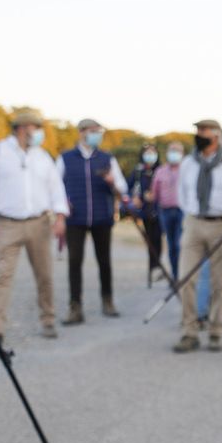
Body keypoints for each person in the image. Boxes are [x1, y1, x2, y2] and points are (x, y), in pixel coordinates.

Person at [0, 108, 68, 346]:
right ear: (23, 129)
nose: (39, 133)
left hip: (39, 223)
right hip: (7, 224)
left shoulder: (42, 157)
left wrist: (60, 217)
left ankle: (48, 319)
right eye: (36, 128)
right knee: (2, 276)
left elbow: (56, 188)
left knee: (44, 275)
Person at [173, 120, 222, 353]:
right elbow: (182, 193)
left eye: (204, 131)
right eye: (198, 131)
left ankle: (216, 330)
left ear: (216, 136)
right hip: (195, 222)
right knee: (186, 278)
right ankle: (190, 331)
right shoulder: (188, 163)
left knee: (220, 281)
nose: (199, 135)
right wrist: (191, 213)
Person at [59, 118, 128, 324]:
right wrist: (62, 204)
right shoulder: (65, 158)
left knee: (104, 261)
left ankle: (108, 301)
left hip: (102, 217)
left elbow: (122, 188)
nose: (97, 134)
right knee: (74, 262)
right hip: (75, 218)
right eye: (93, 131)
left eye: (99, 131)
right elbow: (54, 186)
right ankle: (75, 307)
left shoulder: (107, 159)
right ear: (81, 133)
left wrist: (112, 181)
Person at [127, 143, 164, 285]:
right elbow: (128, 187)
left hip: (159, 211)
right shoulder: (138, 171)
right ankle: (152, 268)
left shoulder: (161, 169)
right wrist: (133, 198)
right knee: (150, 241)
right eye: (147, 152)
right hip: (145, 212)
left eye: (153, 152)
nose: (150, 155)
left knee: (158, 240)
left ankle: (157, 267)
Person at [151, 140, 185, 278]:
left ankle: (184, 274)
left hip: (182, 211)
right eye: (172, 150)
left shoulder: (186, 170)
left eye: (177, 150)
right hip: (165, 211)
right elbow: (154, 193)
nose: (174, 153)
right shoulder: (160, 171)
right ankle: (175, 275)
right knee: (171, 246)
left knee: (179, 244)